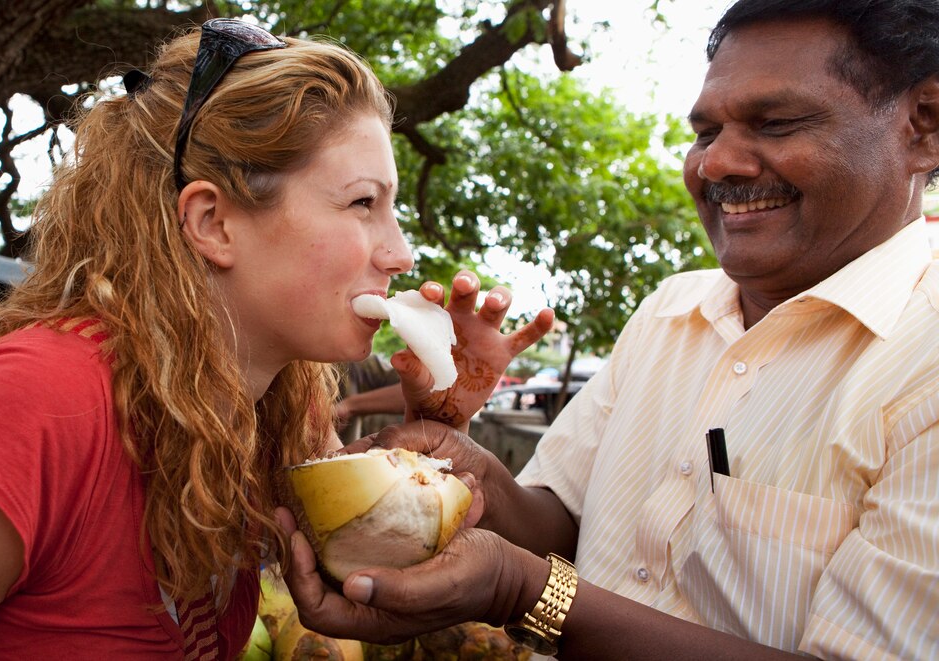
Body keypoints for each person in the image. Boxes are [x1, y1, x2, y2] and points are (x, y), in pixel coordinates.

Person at [278, 1, 939, 659]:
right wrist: (458, 461)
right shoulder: (669, 312)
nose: (717, 164)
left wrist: (521, 589)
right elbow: (560, 519)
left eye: (776, 123)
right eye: (706, 134)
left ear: (925, 125)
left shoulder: (923, 360)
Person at [0, 18, 553, 659]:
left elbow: (374, 579)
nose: (400, 253)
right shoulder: (34, 403)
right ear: (214, 223)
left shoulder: (276, 411)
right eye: (362, 203)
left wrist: (432, 433)